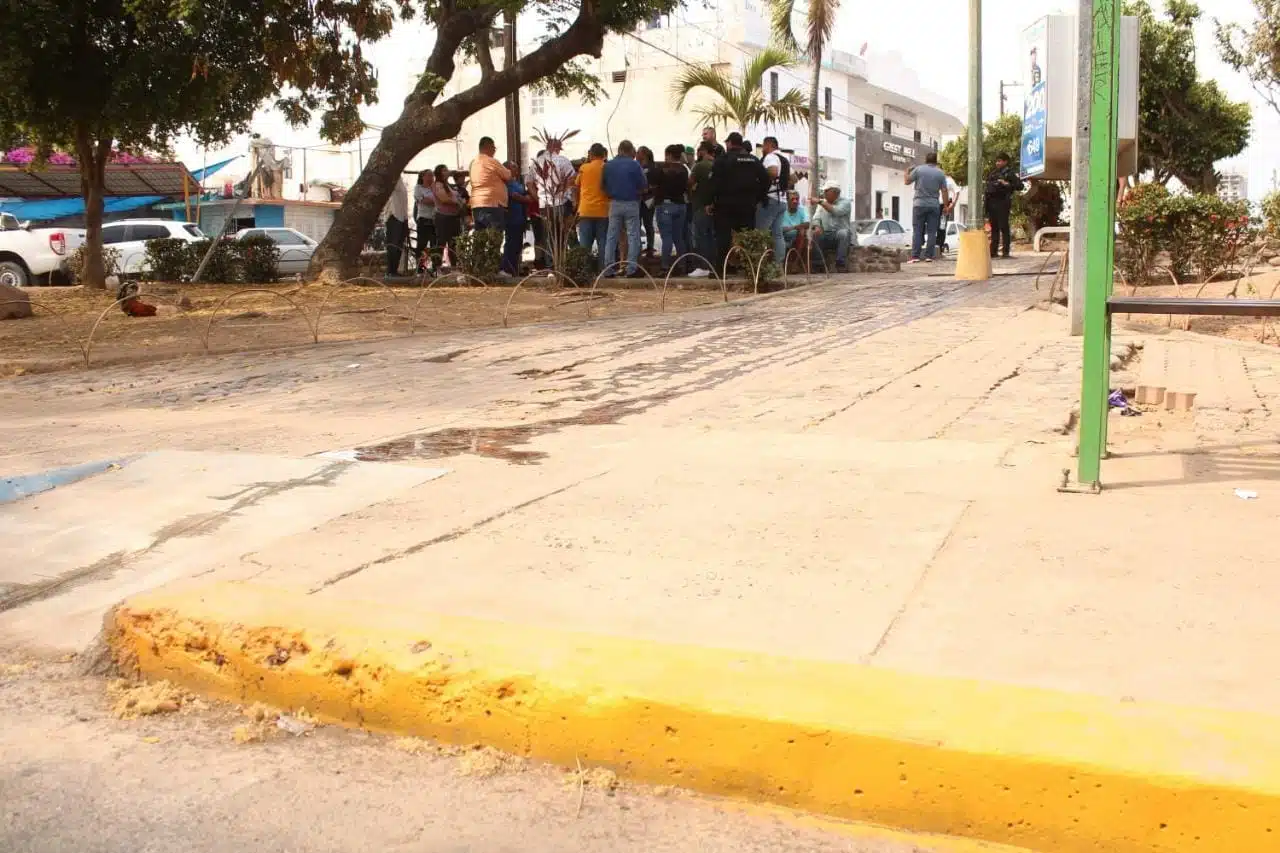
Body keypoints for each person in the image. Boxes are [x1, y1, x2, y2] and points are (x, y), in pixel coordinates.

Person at [708, 131, 769, 272]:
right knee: (747, 238)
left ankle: (720, 270)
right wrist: (757, 197)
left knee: (723, 237)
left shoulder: (722, 160)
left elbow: (714, 183)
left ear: (729, 143)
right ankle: (751, 270)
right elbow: (765, 180)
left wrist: (709, 201)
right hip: (747, 205)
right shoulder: (753, 160)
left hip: (725, 205)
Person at [602, 139, 647, 278]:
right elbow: (643, 185)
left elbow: (603, 186)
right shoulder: (634, 165)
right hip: (631, 203)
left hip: (614, 203)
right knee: (633, 235)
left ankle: (608, 268)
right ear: (628, 151)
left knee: (611, 237)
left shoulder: (608, 165)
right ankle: (631, 268)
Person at [904, 151, 950, 263]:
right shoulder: (940, 173)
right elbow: (944, 190)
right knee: (932, 231)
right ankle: (929, 256)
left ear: (926, 160)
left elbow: (907, 181)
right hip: (934, 205)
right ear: (936, 161)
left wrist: (906, 171)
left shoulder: (919, 169)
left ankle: (915, 256)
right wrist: (945, 206)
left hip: (919, 204)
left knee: (918, 230)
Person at [653, 143, 691, 275]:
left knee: (667, 237)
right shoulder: (684, 169)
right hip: (681, 205)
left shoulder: (662, 169)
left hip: (665, 205)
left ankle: (665, 267)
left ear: (668, 155)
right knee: (678, 237)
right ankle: (682, 265)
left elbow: (654, 184)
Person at [575, 143, 610, 272]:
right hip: (603, 211)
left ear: (591, 154)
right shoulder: (607, 167)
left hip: (585, 210)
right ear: (603, 155)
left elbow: (576, 185)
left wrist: (576, 203)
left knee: (585, 244)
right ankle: (603, 270)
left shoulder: (584, 168)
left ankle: (585, 271)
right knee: (603, 243)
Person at [756, 136, 790, 266]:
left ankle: (759, 264)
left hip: (770, 199)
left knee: (760, 233)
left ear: (769, 145)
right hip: (782, 200)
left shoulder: (770, 157)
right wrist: (781, 185)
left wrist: (763, 179)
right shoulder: (784, 159)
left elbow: (773, 172)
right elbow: (793, 178)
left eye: (763, 146)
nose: (763, 149)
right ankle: (778, 264)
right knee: (777, 234)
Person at [686, 140, 717, 277]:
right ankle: (712, 266)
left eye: (699, 150)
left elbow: (689, 183)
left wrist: (692, 190)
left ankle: (702, 266)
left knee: (700, 237)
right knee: (711, 237)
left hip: (700, 207)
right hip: (714, 206)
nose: (698, 153)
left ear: (704, 151)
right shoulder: (718, 165)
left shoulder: (700, 166)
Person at [468, 136, 511, 232]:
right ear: (487, 147)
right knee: (494, 237)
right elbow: (507, 175)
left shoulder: (473, 163)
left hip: (476, 205)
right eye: (494, 148)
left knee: (480, 237)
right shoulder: (491, 161)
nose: (494, 150)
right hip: (491, 204)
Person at [985, 152, 1023, 259]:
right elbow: (988, 190)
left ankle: (1006, 252)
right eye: (997, 161)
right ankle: (993, 251)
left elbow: (1020, 186)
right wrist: (986, 207)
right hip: (992, 203)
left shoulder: (1010, 173)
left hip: (1003, 202)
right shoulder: (992, 174)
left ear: (1005, 162)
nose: (997, 163)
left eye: (1000, 161)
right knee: (994, 228)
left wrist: (1007, 184)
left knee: (1004, 227)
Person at [809, 183, 852, 272]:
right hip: (826, 234)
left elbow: (836, 211)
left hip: (838, 234)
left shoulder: (845, 203)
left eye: (826, 191)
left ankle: (840, 264)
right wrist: (817, 226)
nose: (824, 193)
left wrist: (820, 202)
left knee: (844, 233)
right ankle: (818, 265)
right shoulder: (822, 203)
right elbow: (816, 218)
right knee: (815, 234)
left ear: (835, 193)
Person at [501, 161, 530, 275]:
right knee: (511, 243)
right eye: (514, 166)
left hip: (521, 217)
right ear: (507, 169)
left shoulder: (517, 182)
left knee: (518, 244)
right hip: (511, 217)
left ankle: (514, 269)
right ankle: (506, 268)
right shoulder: (506, 183)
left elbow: (524, 194)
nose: (516, 169)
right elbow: (515, 196)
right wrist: (527, 199)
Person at [431, 164, 463, 268]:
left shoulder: (447, 185)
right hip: (443, 218)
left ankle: (454, 266)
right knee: (441, 243)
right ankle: (436, 267)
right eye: (444, 170)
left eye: (447, 170)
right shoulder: (437, 185)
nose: (447, 172)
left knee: (454, 243)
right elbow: (443, 199)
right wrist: (458, 202)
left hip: (453, 217)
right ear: (439, 173)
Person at [384, 174, 409, 276]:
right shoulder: (390, 178)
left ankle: (395, 270)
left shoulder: (401, 181)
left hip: (402, 216)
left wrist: (406, 218)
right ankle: (390, 271)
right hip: (394, 215)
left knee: (399, 246)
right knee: (393, 246)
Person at [636, 146, 659, 257]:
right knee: (637, 223)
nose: (636, 155)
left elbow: (656, 185)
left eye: (638, 153)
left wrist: (648, 189)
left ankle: (650, 246)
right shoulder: (637, 166)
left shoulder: (653, 167)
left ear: (644, 154)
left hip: (648, 199)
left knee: (648, 223)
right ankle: (638, 246)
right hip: (638, 199)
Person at [780, 190, 810, 268]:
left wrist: (792, 228)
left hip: (796, 237)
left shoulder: (802, 209)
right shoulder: (782, 209)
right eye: (792, 199)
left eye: (797, 199)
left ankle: (795, 264)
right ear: (787, 200)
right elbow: (779, 228)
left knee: (802, 232)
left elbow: (807, 224)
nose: (795, 201)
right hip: (782, 236)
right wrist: (793, 228)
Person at [413, 170, 435, 270]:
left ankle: (436, 267)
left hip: (434, 219)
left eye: (432, 176)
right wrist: (437, 200)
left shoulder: (434, 188)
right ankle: (420, 267)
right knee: (422, 244)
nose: (431, 178)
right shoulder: (418, 188)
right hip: (423, 219)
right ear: (423, 177)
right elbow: (424, 201)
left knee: (435, 244)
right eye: (429, 175)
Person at [937, 173, 961, 255]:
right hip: (932, 204)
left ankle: (939, 248)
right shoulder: (934, 178)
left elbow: (957, 191)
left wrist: (952, 204)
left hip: (943, 206)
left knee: (942, 227)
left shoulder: (949, 180)